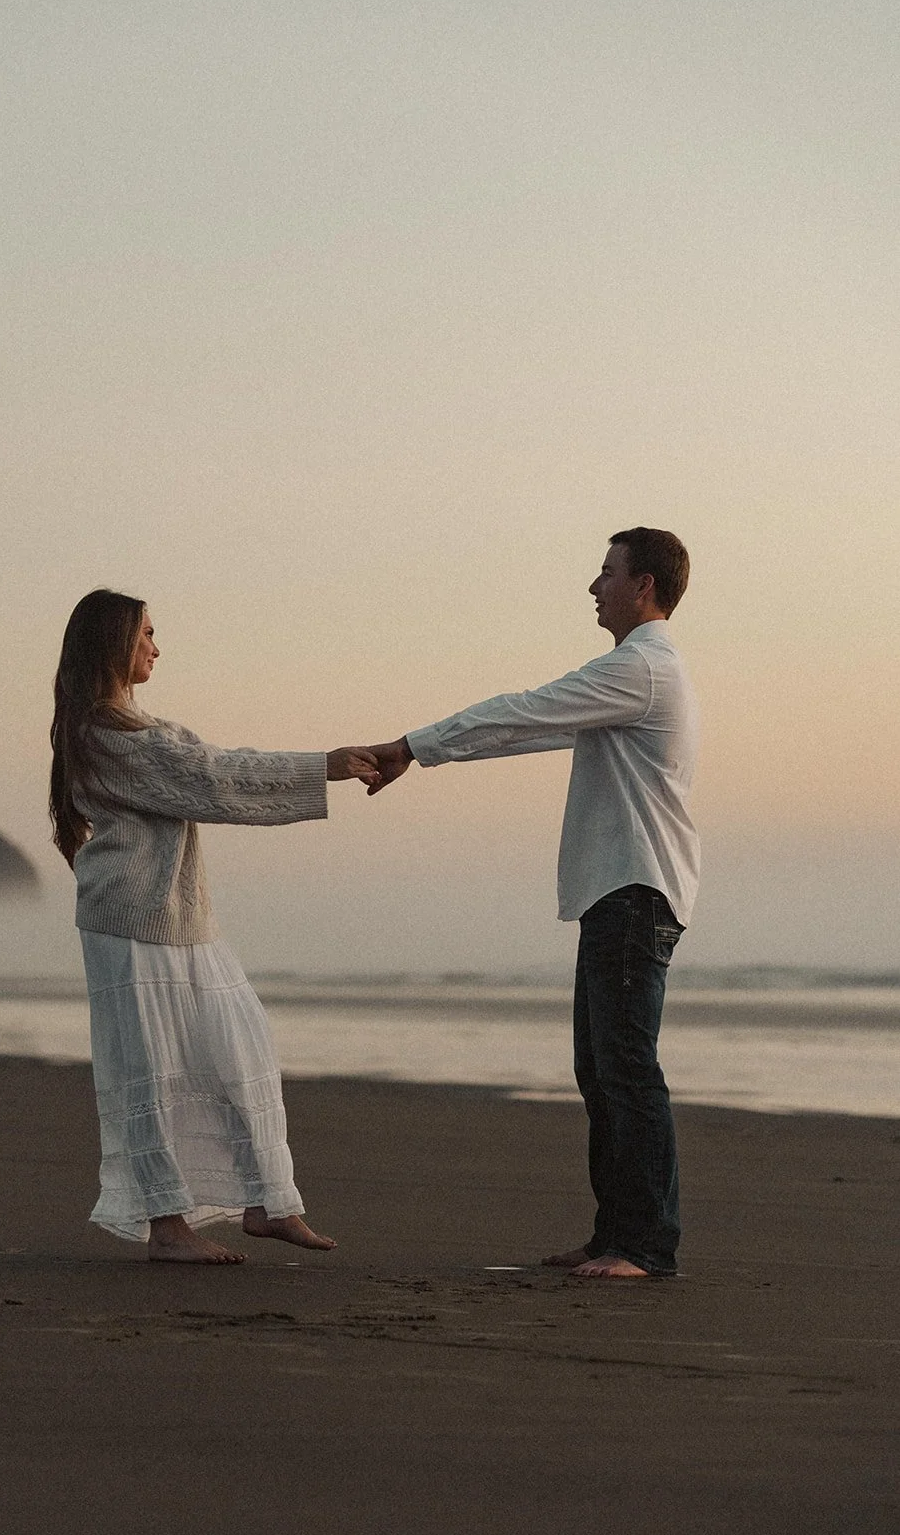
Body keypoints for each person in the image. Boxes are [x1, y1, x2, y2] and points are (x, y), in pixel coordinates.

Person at [366, 528, 699, 1278]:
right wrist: (426, 752)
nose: (593, 586)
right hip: (620, 892)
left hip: (634, 890)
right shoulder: (637, 673)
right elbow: (522, 729)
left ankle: (645, 1245)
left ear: (643, 585)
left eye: (605, 572)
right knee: (601, 1069)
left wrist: (411, 746)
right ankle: (616, 1233)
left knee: (624, 1068)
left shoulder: (640, 669)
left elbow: (525, 708)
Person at [50, 588, 380, 1263]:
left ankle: (266, 1202)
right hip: (129, 920)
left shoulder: (136, 727)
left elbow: (208, 766)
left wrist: (324, 766)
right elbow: (210, 776)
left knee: (241, 1049)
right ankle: (167, 1228)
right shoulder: (104, 733)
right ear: (114, 642)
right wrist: (326, 764)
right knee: (149, 1074)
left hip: (181, 917)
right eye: (146, 632)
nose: (156, 646)